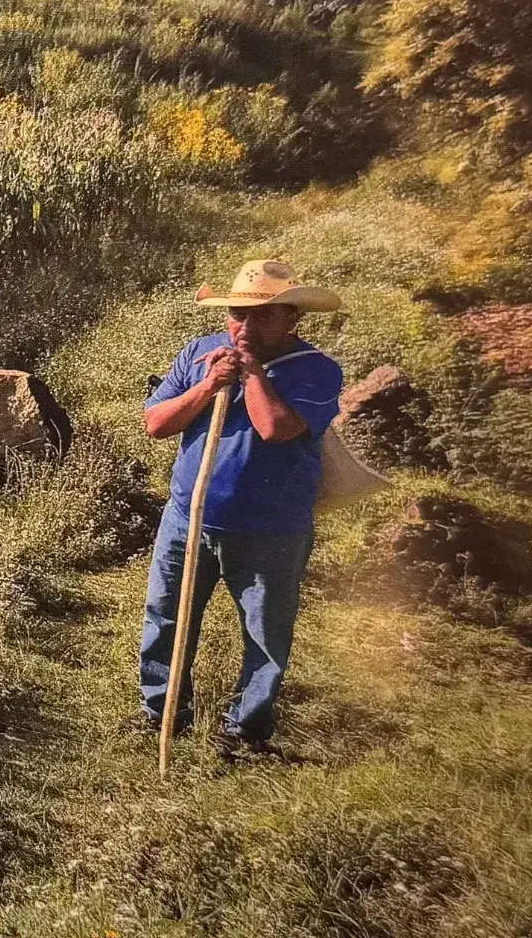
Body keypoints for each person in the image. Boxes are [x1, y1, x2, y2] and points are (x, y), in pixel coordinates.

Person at [136, 259, 343, 758]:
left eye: (264, 315)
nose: (246, 326)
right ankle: (162, 711)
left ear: (293, 318)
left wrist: (250, 372)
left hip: (270, 529)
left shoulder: (316, 369)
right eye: (238, 314)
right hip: (188, 517)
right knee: (166, 616)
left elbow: (275, 428)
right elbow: (157, 424)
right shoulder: (200, 353)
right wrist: (209, 385)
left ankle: (246, 731)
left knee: (265, 632)